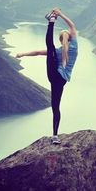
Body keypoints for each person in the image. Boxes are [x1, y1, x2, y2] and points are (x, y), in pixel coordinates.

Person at [16, 8, 78, 144]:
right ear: (70, 38)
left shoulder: (56, 51)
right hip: (61, 81)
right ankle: (55, 136)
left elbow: (38, 52)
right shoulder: (75, 47)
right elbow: (72, 26)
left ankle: (51, 21)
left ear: (61, 40)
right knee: (56, 107)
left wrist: (22, 54)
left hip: (52, 75)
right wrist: (61, 14)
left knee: (50, 48)